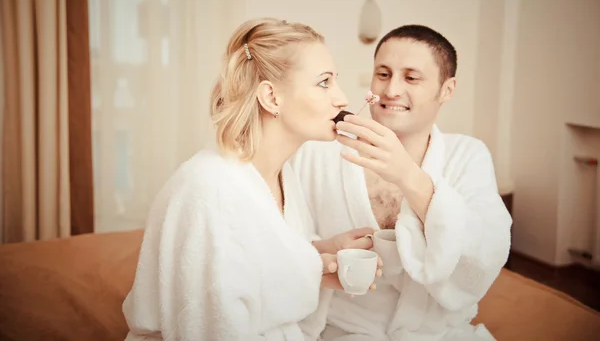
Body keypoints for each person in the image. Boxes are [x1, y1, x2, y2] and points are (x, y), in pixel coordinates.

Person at [121, 18, 380, 340]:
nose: (342, 99)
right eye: (324, 82)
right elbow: (205, 325)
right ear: (272, 98)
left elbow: (256, 265)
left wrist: (320, 257)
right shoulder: (207, 188)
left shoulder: (283, 176)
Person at [291, 25, 513, 340]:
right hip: (344, 330)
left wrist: (407, 175)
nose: (391, 89)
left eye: (411, 77)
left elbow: (484, 256)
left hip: (440, 333)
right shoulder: (318, 154)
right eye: (383, 74)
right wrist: (324, 252)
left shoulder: (467, 154)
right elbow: (278, 247)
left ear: (447, 89)